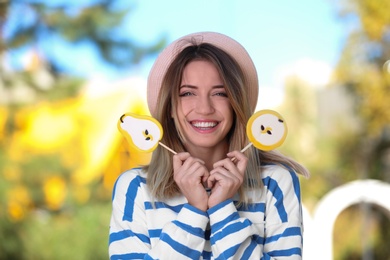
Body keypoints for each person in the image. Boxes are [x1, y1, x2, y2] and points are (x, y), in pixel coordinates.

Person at [109, 32, 310, 259]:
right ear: (170, 108)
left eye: (219, 93)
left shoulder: (275, 181)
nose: (204, 108)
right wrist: (194, 212)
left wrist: (222, 210)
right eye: (187, 93)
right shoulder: (135, 188)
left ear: (236, 104)